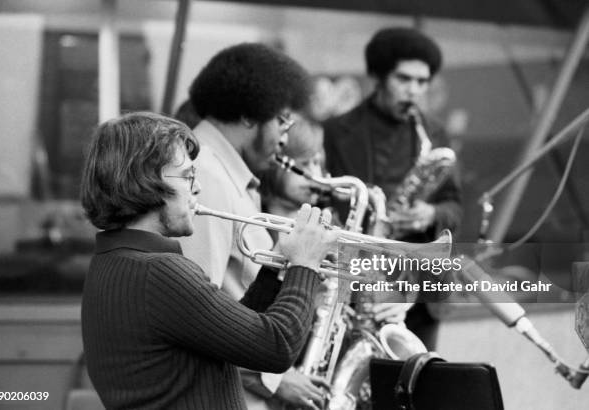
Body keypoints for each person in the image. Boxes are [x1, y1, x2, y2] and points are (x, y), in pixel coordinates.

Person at [80, 111, 337, 410]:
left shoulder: (113, 261)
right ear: (146, 182)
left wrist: (276, 267)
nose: (197, 188)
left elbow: (233, 340)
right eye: (188, 176)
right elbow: (277, 347)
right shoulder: (161, 272)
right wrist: (305, 265)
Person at [177, 44, 328, 409]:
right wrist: (273, 380)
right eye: (282, 120)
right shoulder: (207, 177)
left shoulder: (226, 173)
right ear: (248, 116)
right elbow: (197, 322)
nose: (284, 138)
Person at [323, 27, 462, 350]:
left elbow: (454, 205)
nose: (414, 91)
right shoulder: (336, 131)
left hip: (421, 288)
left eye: (422, 82)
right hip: (360, 283)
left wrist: (430, 213)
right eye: (404, 79)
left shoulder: (434, 133)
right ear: (379, 77)